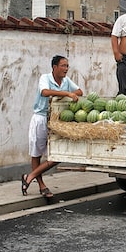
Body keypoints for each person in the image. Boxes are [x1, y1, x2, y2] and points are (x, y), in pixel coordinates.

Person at [22, 55, 83, 198]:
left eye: (67, 66)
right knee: (36, 153)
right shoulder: (45, 78)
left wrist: (67, 95)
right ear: (54, 67)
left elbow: (79, 91)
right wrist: (66, 93)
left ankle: (29, 176)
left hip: (57, 122)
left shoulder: (66, 81)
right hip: (41, 119)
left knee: (58, 154)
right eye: (63, 66)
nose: (66, 69)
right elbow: (45, 92)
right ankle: (42, 185)